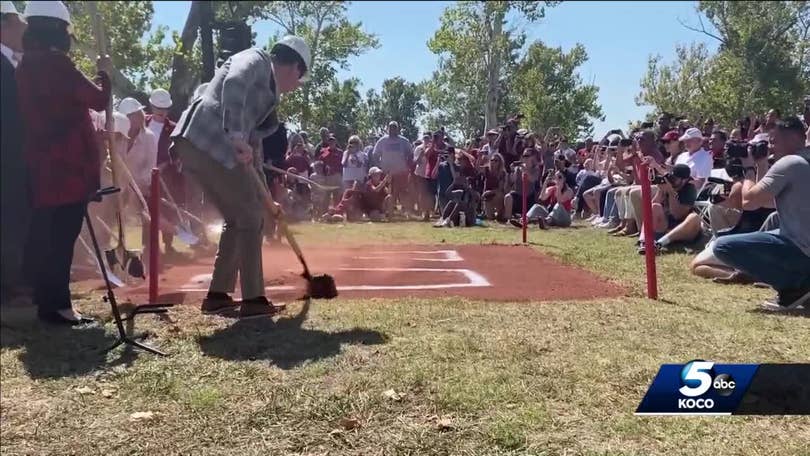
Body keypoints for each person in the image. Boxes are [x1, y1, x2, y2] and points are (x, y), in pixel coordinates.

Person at [170, 35, 311, 318]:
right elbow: (234, 83)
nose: (296, 87)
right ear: (294, 67)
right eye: (299, 80)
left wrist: (269, 201)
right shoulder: (257, 60)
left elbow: (252, 160)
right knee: (249, 217)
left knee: (240, 218)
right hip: (207, 141)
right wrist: (235, 134)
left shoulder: (268, 100)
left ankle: (218, 296)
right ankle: (254, 300)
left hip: (198, 146)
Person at [17, 1, 111, 324]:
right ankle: (60, 307)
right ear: (59, 30)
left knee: (48, 238)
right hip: (69, 168)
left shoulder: (23, 67)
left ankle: (48, 304)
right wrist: (105, 75)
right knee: (62, 240)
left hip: (41, 168)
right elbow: (98, 99)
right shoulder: (58, 66)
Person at [713, 117, 810, 310]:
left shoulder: (790, 162)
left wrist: (749, 169)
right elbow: (766, 201)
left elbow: (749, 202)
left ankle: (796, 287)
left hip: (803, 253)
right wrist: (762, 164)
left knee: (722, 246)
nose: (770, 147)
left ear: (791, 139)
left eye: (774, 141)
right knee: (773, 221)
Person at [1, 1, 29, 303]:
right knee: (8, 220)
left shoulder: (14, 62)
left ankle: (14, 279)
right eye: (20, 23)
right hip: (7, 158)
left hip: (16, 158)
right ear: (5, 23)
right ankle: (8, 287)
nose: (25, 30)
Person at [145, 88, 187, 257]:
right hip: (144, 174)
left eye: (164, 109)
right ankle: (148, 246)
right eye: (158, 108)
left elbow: (178, 153)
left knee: (166, 209)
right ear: (152, 107)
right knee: (146, 210)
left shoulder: (174, 129)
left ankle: (168, 245)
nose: (161, 112)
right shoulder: (142, 123)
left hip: (166, 176)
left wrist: (165, 165)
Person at [118, 97, 159, 263]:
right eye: (129, 116)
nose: (132, 119)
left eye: (135, 115)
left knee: (141, 222)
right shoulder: (117, 136)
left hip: (140, 188)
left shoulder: (149, 137)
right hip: (118, 187)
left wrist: (136, 185)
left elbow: (151, 166)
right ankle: (117, 257)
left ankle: (143, 258)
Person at [639, 164, 698, 253]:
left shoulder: (689, 189)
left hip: (683, 228)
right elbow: (650, 209)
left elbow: (677, 215)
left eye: (675, 179)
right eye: (671, 177)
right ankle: (643, 241)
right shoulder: (669, 185)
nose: (672, 181)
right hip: (666, 226)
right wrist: (660, 192)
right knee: (654, 206)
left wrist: (671, 193)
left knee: (694, 217)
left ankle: (659, 244)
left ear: (684, 180)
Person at [373, 121, 414, 215]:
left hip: (401, 171)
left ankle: (406, 211)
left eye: (394, 127)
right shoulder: (382, 141)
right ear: (388, 129)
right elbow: (375, 154)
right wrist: (379, 166)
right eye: (390, 127)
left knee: (402, 192)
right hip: (386, 172)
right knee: (388, 192)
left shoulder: (404, 141)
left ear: (398, 129)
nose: (392, 129)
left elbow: (410, 154)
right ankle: (388, 211)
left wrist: (407, 165)